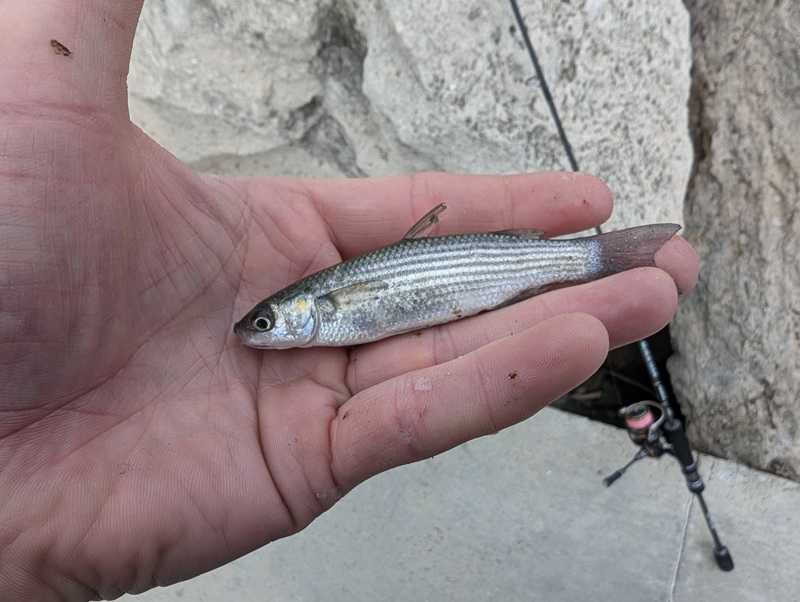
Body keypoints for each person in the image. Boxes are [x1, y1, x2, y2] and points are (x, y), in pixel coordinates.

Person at [0, 1, 698, 599]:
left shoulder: (322, 313)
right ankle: (595, 260)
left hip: (489, 269)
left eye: (270, 322)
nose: (262, 332)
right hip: (469, 275)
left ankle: (595, 259)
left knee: (576, 287)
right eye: (269, 322)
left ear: (305, 309)